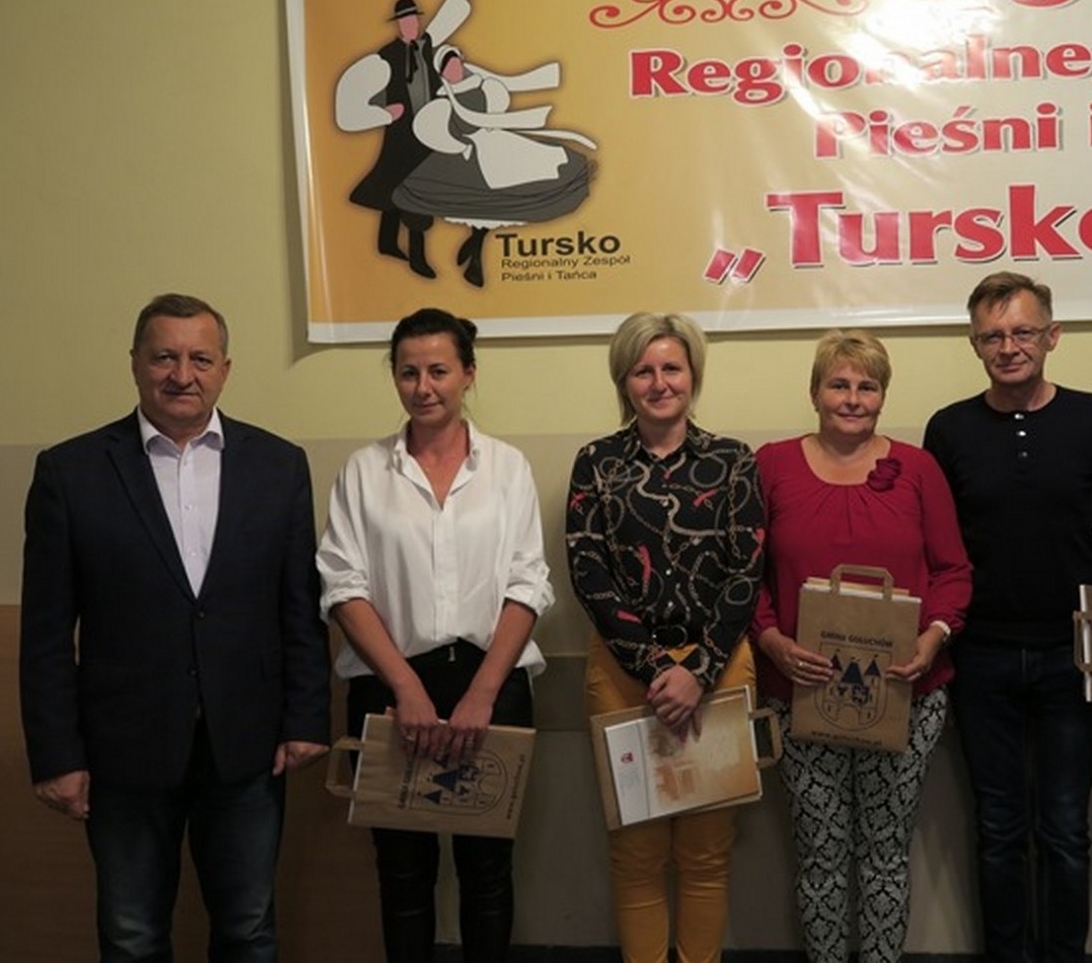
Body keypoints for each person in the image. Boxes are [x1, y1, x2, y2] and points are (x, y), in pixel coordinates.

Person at [19, 293, 330, 962]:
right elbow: (45, 634)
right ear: (135, 363)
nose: (182, 375)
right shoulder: (70, 472)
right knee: (132, 938)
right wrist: (57, 755)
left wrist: (307, 718)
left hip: (247, 746)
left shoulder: (279, 465)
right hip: (123, 750)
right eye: (164, 357)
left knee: (249, 931)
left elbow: (298, 607)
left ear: (225, 369)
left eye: (200, 359)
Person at [921, 271, 1092, 963]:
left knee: (1065, 829)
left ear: (1053, 336)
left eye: (1023, 331)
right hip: (981, 656)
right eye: (992, 335)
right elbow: (937, 554)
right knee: (997, 828)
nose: (1008, 346)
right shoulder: (949, 429)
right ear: (974, 344)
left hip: (1074, 656)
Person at [317, 306, 552, 963]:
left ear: (468, 373)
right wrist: (406, 687)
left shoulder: (507, 468)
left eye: (439, 371)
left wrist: (482, 693)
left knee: (487, 869)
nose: (423, 387)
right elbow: (342, 585)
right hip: (390, 686)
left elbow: (528, 583)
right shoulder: (364, 472)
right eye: (408, 372)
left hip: (492, 682)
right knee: (403, 872)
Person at [753, 329, 972, 963]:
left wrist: (933, 638)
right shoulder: (771, 466)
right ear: (814, 391)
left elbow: (954, 570)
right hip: (800, 693)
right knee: (819, 854)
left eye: (867, 386)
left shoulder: (919, 469)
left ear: (883, 396)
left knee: (886, 853)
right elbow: (746, 575)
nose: (852, 398)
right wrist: (771, 640)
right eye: (839, 384)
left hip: (905, 693)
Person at [565, 312, 764, 963]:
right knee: (637, 851)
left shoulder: (733, 461)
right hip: (625, 675)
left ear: (692, 375)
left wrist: (697, 671)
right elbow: (588, 571)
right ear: (623, 381)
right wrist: (657, 667)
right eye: (642, 371)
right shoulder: (596, 463)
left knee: (706, 853)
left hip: (718, 672)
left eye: (671, 368)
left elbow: (746, 571)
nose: (659, 383)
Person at [393, 43, 595, 288]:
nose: (454, 70)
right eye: (448, 68)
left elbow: (492, 116)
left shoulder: (484, 87)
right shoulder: (443, 99)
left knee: (496, 196)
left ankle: (474, 255)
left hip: (490, 143)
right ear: (442, 72)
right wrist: (460, 142)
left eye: (456, 65)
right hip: (461, 151)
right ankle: (453, 256)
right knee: (447, 196)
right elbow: (441, 130)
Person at [334, 0, 479, 277]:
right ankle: (415, 256)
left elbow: (445, 21)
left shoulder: (427, 44)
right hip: (402, 136)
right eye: (405, 21)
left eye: (414, 20)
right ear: (399, 25)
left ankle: (388, 243)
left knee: (407, 188)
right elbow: (352, 97)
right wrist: (385, 113)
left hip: (427, 133)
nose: (411, 25)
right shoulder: (386, 56)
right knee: (400, 187)